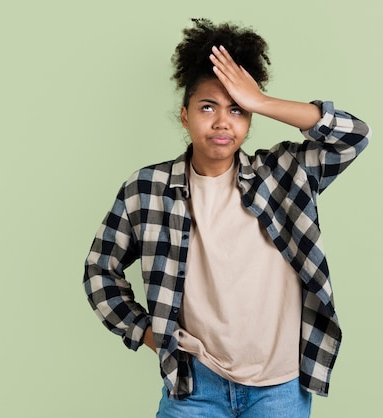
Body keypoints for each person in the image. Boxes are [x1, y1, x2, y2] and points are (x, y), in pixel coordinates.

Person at [82, 18, 370, 417]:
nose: (222, 121)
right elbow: (100, 270)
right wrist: (149, 333)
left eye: (236, 110)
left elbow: (354, 135)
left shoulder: (283, 174)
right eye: (207, 107)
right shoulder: (147, 189)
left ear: (250, 120)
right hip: (195, 385)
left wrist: (262, 101)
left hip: (280, 388)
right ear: (185, 116)